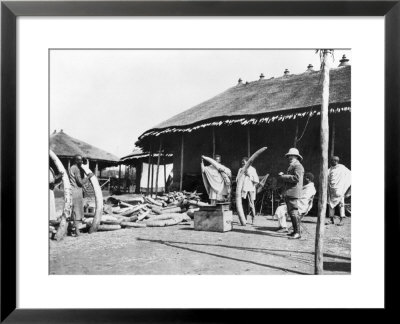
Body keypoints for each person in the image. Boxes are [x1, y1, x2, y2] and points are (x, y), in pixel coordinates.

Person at [278, 148, 305, 239]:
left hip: (293, 192)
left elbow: (296, 178)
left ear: (297, 157)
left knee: (293, 212)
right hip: (290, 192)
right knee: (291, 212)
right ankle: (295, 231)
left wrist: (283, 176)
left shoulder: (298, 166)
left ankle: (297, 232)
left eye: (292, 156)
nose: (290, 157)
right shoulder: (292, 166)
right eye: (289, 156)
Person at [69, 155, 94, 235]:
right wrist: (88, 177)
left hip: (73, 191)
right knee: (77, 211)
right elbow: (80, 183)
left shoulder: (72, 168)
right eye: (80, 160)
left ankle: (71, 229)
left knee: (73, 211)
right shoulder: (76, 169)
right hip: (76, 191)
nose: (81, 162)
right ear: (76, 161)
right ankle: (76, 230)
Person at [326, 156, 351, 226]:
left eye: (332, 161)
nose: (331, 162)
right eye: (331, 160)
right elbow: (327, 176)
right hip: (332, 190)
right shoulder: (330, 169)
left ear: (336, 161)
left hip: (340, 190)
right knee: (331, 205)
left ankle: (342, 220)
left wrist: (344, 185)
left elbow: (350, 174)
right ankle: (331, 219)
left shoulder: (342, 168)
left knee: (341, 205)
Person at [236, 157, 259, 224]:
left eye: (244, 161)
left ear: (248, 162)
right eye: (242, 162)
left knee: (251, 205)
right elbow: (237, 179)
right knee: (244, 205)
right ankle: (244, 219)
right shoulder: (240, 169)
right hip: (243, 190)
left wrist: (248, 175)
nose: (243, 163)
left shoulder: (252, 169)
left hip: (250, 189)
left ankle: (253, 219)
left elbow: (256, 180)